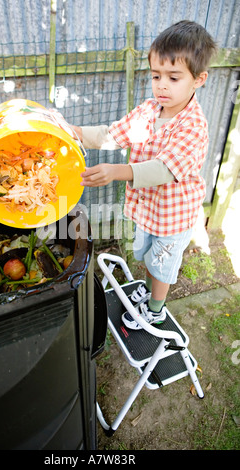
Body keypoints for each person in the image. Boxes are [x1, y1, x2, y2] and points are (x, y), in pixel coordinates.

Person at [71, 20, 217, 330]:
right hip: (148, 209)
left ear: (198, 79)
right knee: (147, 255)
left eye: (173, 77)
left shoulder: (193, 126)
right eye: (156, 76)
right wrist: (76, 133)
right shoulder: (149, 110)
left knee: (162, 265)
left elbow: (163, 169)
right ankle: (149, 290)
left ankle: (155, 310)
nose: (162, 85)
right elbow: (113, 135)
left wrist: (116, 172)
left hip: (173, 215)